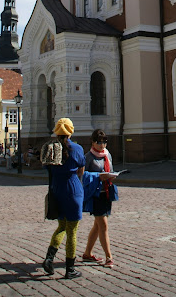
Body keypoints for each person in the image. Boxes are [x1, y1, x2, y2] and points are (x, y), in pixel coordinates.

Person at [42, 118, 109, 280]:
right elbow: (81, 169)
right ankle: (69, 268)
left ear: (56, 131)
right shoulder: (76, 148)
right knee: (72, 230)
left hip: (56, 189)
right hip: (73, 190)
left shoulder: (49, 148)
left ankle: (49, 258)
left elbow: (47, 168)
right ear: (70, 132)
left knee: (61, 227)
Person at [83, 129, 115, 268]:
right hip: (95, 194)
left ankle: (87, 254)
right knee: (103, 225)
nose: (102, 145)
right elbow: (82, 176)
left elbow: (111, 170)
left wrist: (111, 175)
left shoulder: (107, 155)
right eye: (99, 142)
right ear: (92, 142)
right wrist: (97, 177)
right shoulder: (88, 157)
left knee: (97, 226)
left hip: (106, 192)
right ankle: (109, 257)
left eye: (104, 142)